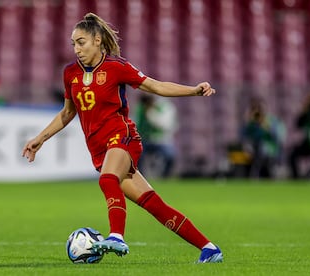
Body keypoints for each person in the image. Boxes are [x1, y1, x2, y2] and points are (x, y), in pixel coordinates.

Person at [22, 13, 223, 263]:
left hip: (122, 136)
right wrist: (40, 138)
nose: (76, 49)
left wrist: (193, 90)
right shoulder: (70, 73)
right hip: (98, 149)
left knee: (108, 180)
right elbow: (67, 113)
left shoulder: (117, 67)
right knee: (154, 204)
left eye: (81, 42)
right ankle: (209, 248)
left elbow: (156, 86)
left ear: (97, 40)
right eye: (73, 43)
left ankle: (116, 236)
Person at [240, 97, 286, 178]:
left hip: (269, 148)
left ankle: (258, 173)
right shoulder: (251, 123)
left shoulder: (272, 121)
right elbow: (243, 136)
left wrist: (265, 125)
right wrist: (247, 122)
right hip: (254, 150)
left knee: (261, 147)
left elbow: (277, 138)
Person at [134, 94, 177, 178]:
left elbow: (165, 125)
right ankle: (140, 177)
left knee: (169, 155)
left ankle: (165, 177)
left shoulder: (165, 107)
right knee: (135, 154)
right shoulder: (140, 108)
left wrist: (151, 113)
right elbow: (135, 125)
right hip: (144, 139)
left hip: (160, 140)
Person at [289, 92, 310, 179]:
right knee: (292, 155)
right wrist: (305, 109)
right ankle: (296, 178)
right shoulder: (307, 115)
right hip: (309, 144)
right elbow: (298, 124)